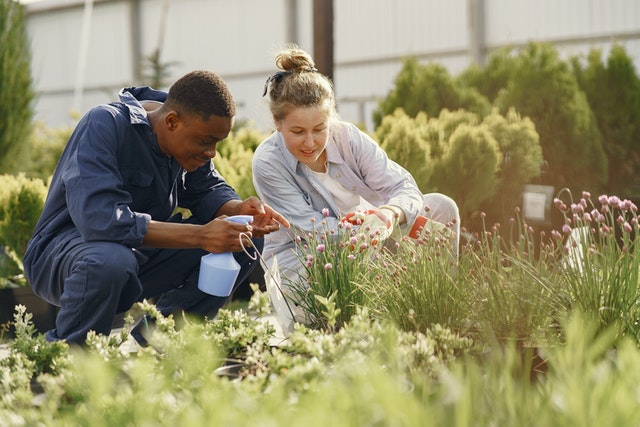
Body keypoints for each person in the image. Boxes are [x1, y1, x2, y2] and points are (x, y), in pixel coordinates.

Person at [23, 70, 289, 345]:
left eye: (217, 144)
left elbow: (207, 190)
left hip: (133, 254)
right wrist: (201, 236)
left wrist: (238, 210)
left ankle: (163, 337)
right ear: (172, 121)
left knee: (242, 238)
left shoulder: (187, 124)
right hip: (63, 256)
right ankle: (69, 359)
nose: (212, 153)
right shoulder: (105, 124)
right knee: (111, 259)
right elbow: (101, 221)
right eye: (206, 142)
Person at [252, 45, 460, 291]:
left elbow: (402, 186)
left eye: (319, 129)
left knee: (442, 208)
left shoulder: (347, 137)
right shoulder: (268, 162)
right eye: (298, 132)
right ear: (277, 122)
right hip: (307, 253)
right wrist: (371, 230)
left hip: (376, 235)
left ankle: (439, 303)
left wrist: (391, 214)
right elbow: (315, 229)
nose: (310, 142)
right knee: (327, 275)